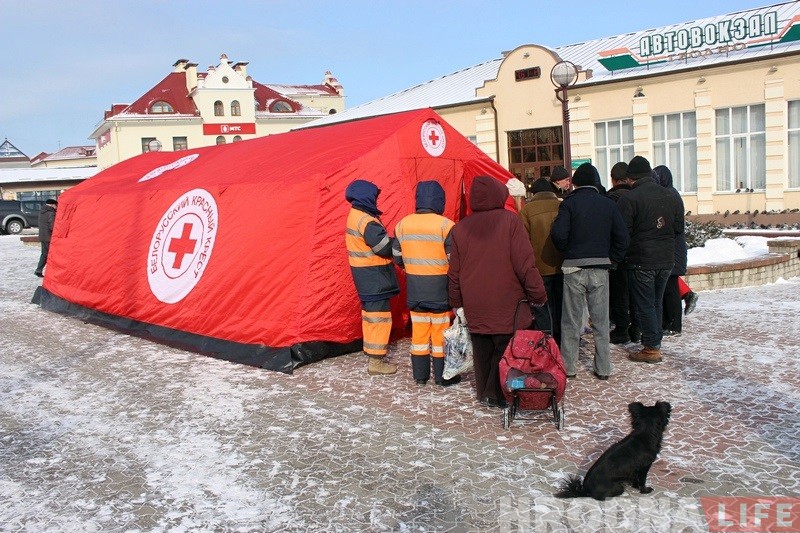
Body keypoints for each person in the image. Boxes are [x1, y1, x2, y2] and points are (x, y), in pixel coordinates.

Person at [448, 175, 547, 408]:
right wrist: (538, 295)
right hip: (507, 302)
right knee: (506, 348)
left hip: (475, 302)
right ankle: (501, 393)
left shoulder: (461, 228)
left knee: (482, 347)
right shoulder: (510, 221)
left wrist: (456, 301)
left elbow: (454, 272)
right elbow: (525, 264)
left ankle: (485, 391)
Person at [551, 163, 629, 380]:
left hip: (573, 268)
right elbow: (622, 238)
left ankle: (569, 368)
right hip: (600, 269)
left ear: (575, 183)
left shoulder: (568, 204)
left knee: (571, 322)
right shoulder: (608, 204)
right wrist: (612, 259)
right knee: (601, 321)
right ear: (596, 181)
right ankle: (603, 368)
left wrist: (569, 250)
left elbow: (558, 235)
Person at [392, 180, 460, 387]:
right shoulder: (446, 225)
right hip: (440, 289)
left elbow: (396, 255)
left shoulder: (402, 224)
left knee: (419, 333)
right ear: (440, 201)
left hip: (415, 288)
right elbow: (454, 259)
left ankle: (420, 376)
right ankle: (441, 376)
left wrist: (411, 268)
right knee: (440, 334)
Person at [617, 156, 684, 364]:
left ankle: (651, 347)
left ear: (630, 178)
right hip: (666, 258)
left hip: (641, 259)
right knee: (655, 301)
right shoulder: (671, 196)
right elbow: (678, 228)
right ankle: (654, 341)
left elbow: (622, 233)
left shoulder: (630, 199)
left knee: (644, 303)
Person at [344, 179, 400, 375]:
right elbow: (383, 247)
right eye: (374, 196)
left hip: (366, 276)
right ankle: (376, 362)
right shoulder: (366, 221)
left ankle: (372, 354)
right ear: (366, 196)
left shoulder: (356, 214)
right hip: (374, 276)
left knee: (371, 317)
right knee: (379, 318)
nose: (376, 200)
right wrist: (399, 243)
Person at [520, 177, 564, 345]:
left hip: (539, 268)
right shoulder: (561, 206)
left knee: (542, 308)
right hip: (562, 266)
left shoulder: (527, 210)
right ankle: (561, 341)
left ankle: (546, 343)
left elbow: (523, 242)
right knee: (561, 306)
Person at [605, 162, 640, 344]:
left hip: (617, 253)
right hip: (637, 253)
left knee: (619, 294)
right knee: (635, 294)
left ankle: (621, 331)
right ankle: (635, 330)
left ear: (613, 180)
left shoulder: (610, 199)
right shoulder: (638, 196)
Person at [653, 165, 688, 337]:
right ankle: (669, 323)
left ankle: (674, 324)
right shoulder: (670, 194)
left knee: (671, 289)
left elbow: (676, 226)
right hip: (672, 248)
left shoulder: (671, 196)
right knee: (667, 288)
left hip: (673, 249)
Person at [34, 198, 57, 277]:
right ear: (52, 205)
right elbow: (52, 226)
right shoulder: (51, 213)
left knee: (44, 254)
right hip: (49, 237)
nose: (56, 207)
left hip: (42, 236)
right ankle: (52, 272)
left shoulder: (42, 211)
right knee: (51, 255)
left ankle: (39, 270)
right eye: (55, 205)